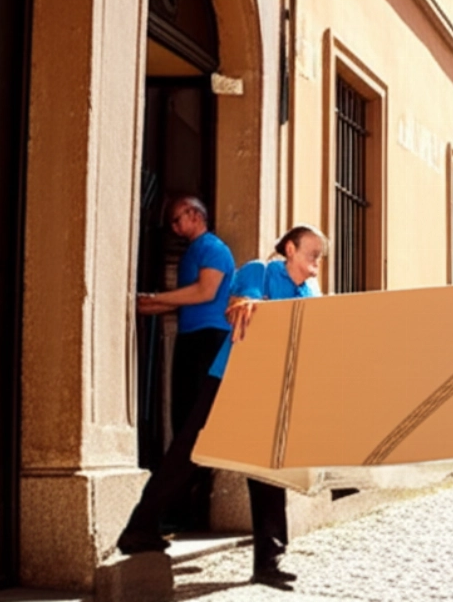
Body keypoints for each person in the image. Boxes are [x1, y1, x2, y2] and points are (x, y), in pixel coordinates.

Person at [118, 225, 328, 592]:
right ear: (290, 249)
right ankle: (140, 529)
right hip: (228, 379)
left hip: (271, 388)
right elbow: (241, 306)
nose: (316, 264)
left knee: (267, 469)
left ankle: (269, 562)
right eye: (312, 254)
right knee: (190, 452)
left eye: (320, 258)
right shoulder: (258, 272)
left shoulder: (309, 291)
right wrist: (250, 305)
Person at [136, 196, 235, 530]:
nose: (174, 228)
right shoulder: (192, 252)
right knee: (182, 419)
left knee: (196, 423)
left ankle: (188, 507)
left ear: (196, 215)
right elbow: (185, 302)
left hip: (210, 340)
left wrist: (155, 298)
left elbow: (205, 293)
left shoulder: (214, 248)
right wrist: (145, 305)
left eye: (177, 220)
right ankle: (182, 505)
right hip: (191, 337)